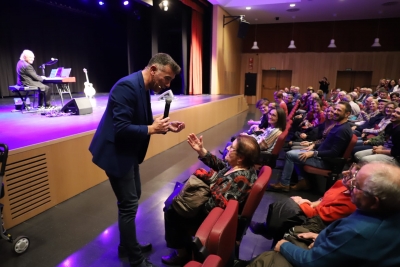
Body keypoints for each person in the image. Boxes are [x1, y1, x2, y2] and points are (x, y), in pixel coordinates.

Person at [89, 53, 186, 267]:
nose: (168, 84)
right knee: (129, 204)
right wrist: (152, 128)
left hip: (128, 151)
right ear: (153, 70)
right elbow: (121, 128)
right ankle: (135, 258)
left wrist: (162, 125)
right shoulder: (127, 87)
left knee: (133, 198)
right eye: (167, 78)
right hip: (116, 153)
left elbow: (139, 121)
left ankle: (127, 244)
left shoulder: (143, 87)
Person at [264, 162, 400, 267]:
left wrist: (283, 246)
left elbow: (312, 263)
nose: (350, 185)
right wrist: (324, 237)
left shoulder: (358, 232)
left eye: (356, 185)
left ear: (374, 202)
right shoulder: (382, 210)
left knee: (269, 261)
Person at [162, 134, 260, 266]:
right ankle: (183, 241)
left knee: (171, 210)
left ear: (241, 158)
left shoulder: (238, 181)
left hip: (211, 219)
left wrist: (202, 187)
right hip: (215, 213)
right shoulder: (244, 168)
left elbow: (211, 208)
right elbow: (222, 166)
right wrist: (201, 150)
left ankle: (182, 254)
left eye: (232, 147)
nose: (228, 147)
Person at [249, 164, 358, 244]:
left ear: (357, 184)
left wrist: (300, 202)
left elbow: (320, 215)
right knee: (284, 206)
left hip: (319, 222)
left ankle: (269, 230)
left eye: (350, 174)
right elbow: (324, 199)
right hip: (317, 209)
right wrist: (312, 202)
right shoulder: (341, 184)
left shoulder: (350, 204)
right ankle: (269, 229)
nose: (344, 173)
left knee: (288, 209)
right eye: (348, 170)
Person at [269, 102, 353, 192]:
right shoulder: (339, 125)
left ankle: (284, 184)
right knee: (298, 151)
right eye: (335, 109)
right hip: (321, 156)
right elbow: (326, 143)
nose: (335, 112)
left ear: (347, 114)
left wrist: (313, 152)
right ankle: (303, 181)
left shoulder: (343, 130)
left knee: (290, 155)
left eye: (339, 110)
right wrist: (313, 145)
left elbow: (334, 152)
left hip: (325, 161)